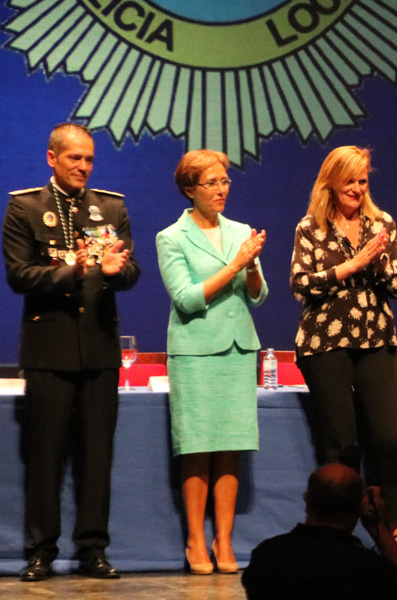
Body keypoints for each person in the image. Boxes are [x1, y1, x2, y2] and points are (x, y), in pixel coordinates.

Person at [2, 123, 140, 581]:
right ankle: (41, 551)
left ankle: (93, 550)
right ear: (52, 158)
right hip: (49, 350)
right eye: (74, 159)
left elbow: (130, 270)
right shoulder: (25, 206)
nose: (83, 167)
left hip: (99, 349)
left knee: (97, 456)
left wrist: (117, 271)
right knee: (45, 456)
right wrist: (75, 271)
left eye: (89, 159)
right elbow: (20, 275)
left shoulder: (111, 207)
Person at [290, 146, 397, 562]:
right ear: (331, 183)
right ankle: (336, 536)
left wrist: (375, 262)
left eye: (363, 182)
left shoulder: (383, 225)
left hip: (376, 339)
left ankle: (394, 527)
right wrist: (350, 265)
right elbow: (301, 284)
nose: (358, 190)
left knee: (388, 438)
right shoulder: (310, 227)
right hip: (325, 342)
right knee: (341, 443)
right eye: (350, 182)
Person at [155, 149, 268, 575]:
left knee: (230, 450)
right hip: (196, 352)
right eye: (211, 183)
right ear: (190, 189)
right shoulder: (172, 237)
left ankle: (224, 539)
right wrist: (237, 263)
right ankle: (195, 539)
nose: (221, 190)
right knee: (198, 449)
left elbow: (257, 294)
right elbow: (185, 298)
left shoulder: (239, 231)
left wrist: (251, 266)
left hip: (238, 349)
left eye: (225, 181)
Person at [241, 463, 397, 600]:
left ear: (306, 498)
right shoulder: (368, 570)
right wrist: (379, 529)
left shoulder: (267, 556)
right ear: (361, 506)